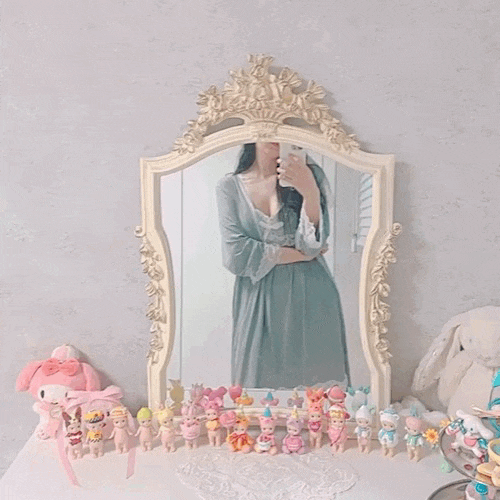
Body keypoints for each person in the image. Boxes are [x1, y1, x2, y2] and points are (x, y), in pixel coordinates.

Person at [215, 142, 350, 389]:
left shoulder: (308, 175)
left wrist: (310, 191)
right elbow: (236, 255)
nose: (275, 135)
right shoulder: (229, 187)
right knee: (257, 391)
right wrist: (302, 256)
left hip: (312, 293)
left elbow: (311, 245)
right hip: (257, 298)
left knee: (318, 397)